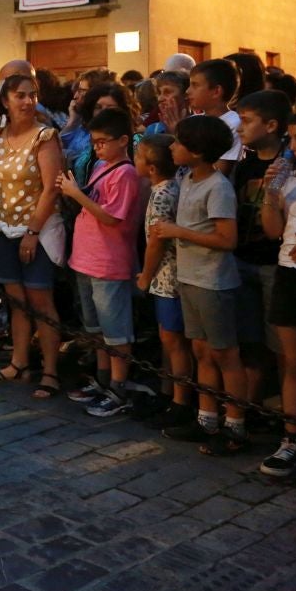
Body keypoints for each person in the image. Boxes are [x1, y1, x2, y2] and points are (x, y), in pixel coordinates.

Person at [153, 115, 246, 454]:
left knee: (225, 353)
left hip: (213, 282)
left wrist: (179, 232)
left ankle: (235, 424)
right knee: (202, 351)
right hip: (190, 278)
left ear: (197, 151)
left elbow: (227, 238)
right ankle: (206, 418)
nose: (172, 147)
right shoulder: (188, 178)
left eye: (179, 142)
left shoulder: (217, 186)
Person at [0, 74, 66, 399]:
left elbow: (51, 189)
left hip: (36, 232)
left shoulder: (45, 136)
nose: (28, 101)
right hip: (4, 229)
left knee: (41, 302)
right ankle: (19, 362)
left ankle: (51, 372)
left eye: (32, 95)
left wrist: (32, 231)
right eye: (20, 95)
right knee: (15, 302)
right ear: (5, 100)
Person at [58, 108, 143, 417]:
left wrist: (76, 194)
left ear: (123, 140)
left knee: (115, 332)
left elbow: (111, 217)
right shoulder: (100, 167)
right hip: (86, 258)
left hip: (108, 261)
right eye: (94, 142)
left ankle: (118, 387)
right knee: (95, 328)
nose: (98, 148)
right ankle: (103, 378)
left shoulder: (126, 173)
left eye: (103, 142)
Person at [230, 90, 292, 409]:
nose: (240, 127)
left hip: (273, 263)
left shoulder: (289, 166)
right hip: (243, 259)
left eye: (246, 120)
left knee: (281, 344)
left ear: (270, 125)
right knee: (249, 339)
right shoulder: (245, 165)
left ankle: (287, 408)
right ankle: (250, 405)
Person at [258, 109, 296, 482]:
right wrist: (271, 193)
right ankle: (293, 439)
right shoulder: (291, 176)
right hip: (291, 274)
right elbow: (273, 229)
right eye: (292, 138)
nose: (294, 147)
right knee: (295, 362)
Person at [135, 135, 194, 430]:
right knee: (166, 338)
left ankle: (181, 401)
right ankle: (167, 391)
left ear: (152, 168)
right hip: (165, 277)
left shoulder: (162, 194)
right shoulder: (168, 187)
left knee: (174, 341)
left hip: (168, 278)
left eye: (138, 156)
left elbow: (156, 243)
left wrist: (145, 276)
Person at [187, 58, 241, 174]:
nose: (188, 91)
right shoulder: (193, 121)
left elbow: (220, 170)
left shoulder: (233, 123)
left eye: (195, 85)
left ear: (216, 91)